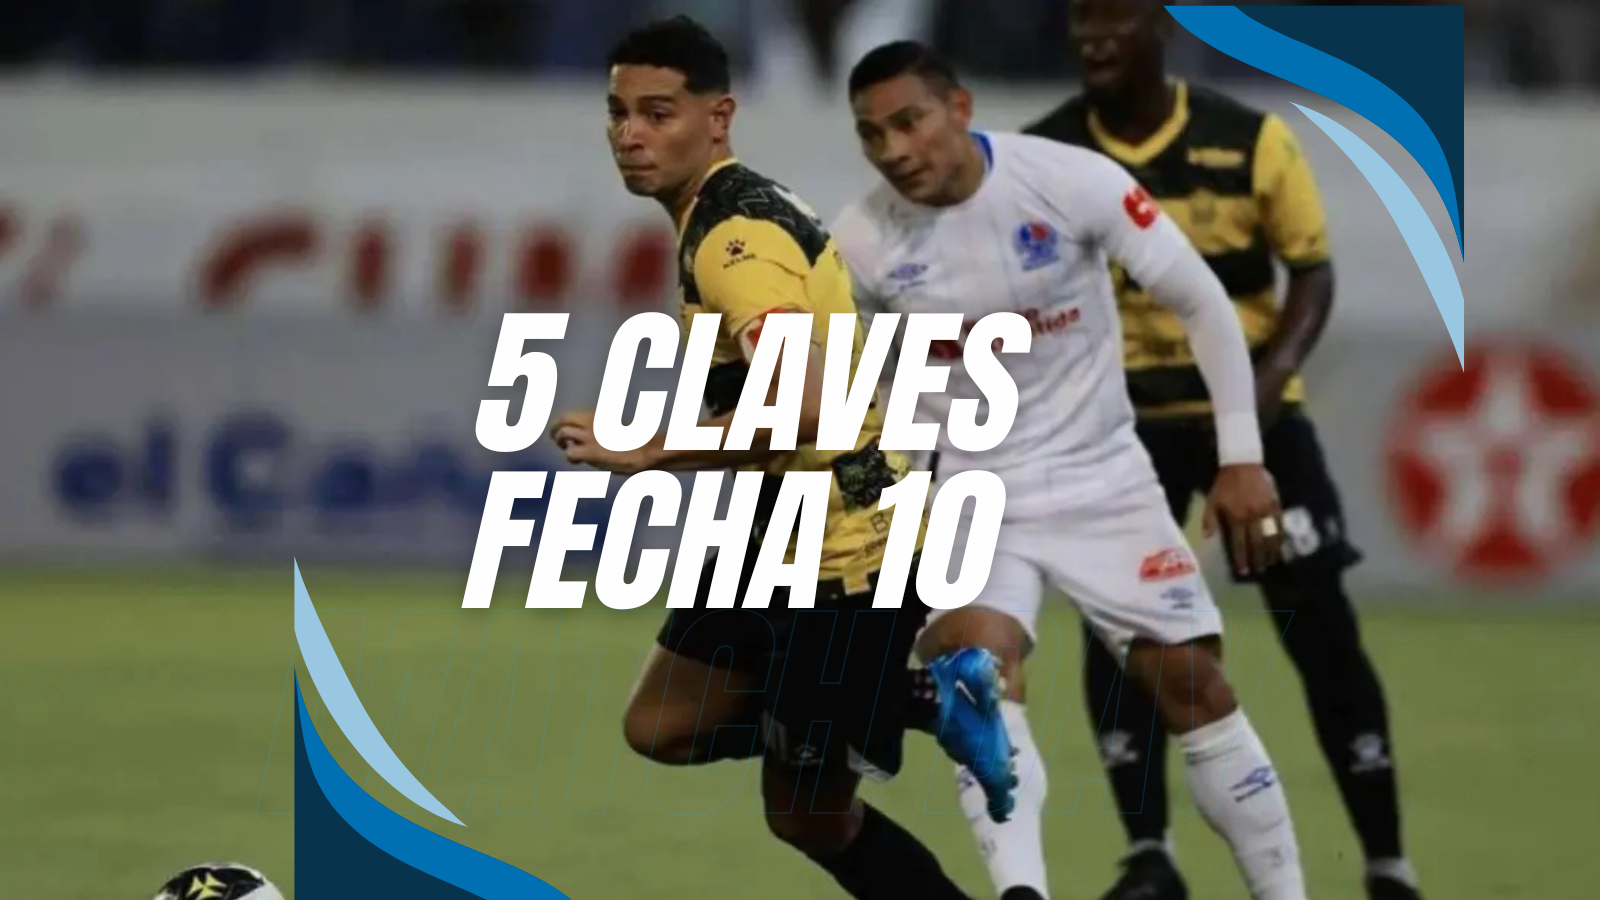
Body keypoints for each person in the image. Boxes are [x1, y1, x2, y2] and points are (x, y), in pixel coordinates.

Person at [833, 40, 1314, 900]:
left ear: (960, 108)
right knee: (977, 685)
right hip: (970, 493)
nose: (894, 149)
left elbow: (1201, 301)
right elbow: (839, 385)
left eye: (909, 122)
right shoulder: (861, 242)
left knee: (1192, 687)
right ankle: (1023, 894)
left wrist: (1242, 457)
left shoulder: (1068, 181)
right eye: (873, 134)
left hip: (1101, 478)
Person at [548, 17, 1015, 900]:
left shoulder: (735, 241)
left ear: (717, 117)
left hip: (850, 549)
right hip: (775, 529)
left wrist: (648, 449)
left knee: (807, 815)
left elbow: (802, 406)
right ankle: (915, 701)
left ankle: (899, 703)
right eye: (619, 113)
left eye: (658, 113)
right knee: (660, 725)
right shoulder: (728, 211)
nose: (631, 134)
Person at [1023, 2, 1426, 899]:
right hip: (1117, 429)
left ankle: (1388, 866)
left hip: (1252, 423)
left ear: (1160, 28)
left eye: (1114, 18)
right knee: (1120, 627)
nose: (1093, 36)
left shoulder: (1251, 141)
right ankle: (1150, 855)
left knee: (1316, 619)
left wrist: (1265, 384)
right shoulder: (1043, 156)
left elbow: (1311, 272)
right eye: (1081, 19)